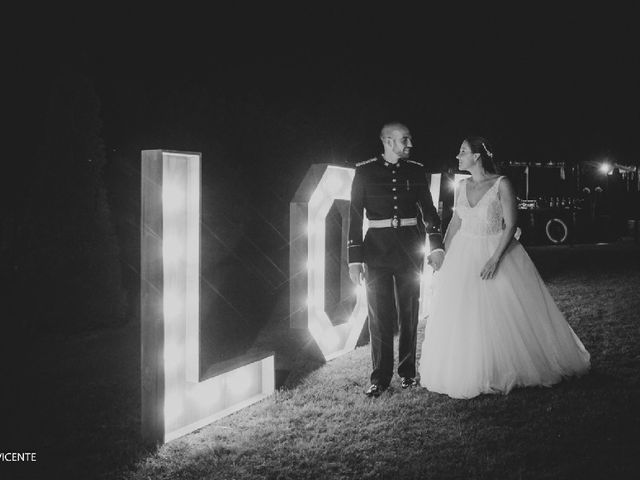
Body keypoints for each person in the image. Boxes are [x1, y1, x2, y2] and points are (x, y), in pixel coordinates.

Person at [419, 137, 590, 399]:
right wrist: (444, 253)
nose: (458, 156)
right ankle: (471, 367)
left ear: (477, 156)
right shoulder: (461, 185)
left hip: (494, 250)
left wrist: (495, 259)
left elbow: (510, 225)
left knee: (501, 312)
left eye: (463, 151)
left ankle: (505, 366)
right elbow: (455, 222)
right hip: (463, 252)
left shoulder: (501, 184)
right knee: (465, 312)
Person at [348, 122, 444, 397]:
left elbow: (428, 210)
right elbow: (355, 216)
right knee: (379, 316)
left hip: (409, 249)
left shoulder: (414, 170)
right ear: (388, 141)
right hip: (376, 252)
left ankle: (407, 373)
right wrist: (354, 259)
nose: (410, 144)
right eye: (405, 140)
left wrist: (435, 245)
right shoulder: (364, 171)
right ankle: (379, 378)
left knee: (409, 313)